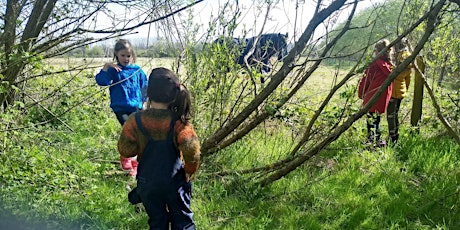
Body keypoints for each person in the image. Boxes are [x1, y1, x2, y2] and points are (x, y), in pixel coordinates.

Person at [117, 67, 201, 229]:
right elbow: (192, 151)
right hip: (175, 182)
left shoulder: (136, 120)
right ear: (173, 94)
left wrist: (139, 145)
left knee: (157, 221)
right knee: (183, 221)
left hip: (147, 183)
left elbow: (125, 150)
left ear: (148, 92)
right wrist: (189, 171)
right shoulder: (179, 122)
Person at [95, 39, 148, 177]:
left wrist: (145, 102)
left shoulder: (137, 71)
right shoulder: (114, 70)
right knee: (129, 129)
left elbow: (145, 87)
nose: (126, 58)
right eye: (123, 55)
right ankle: (126, 156)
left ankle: (135, 163)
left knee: (141, 134)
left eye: (128, 56)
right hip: (121, 108)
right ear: (116, 54)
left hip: (137, 107)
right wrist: (106, 67)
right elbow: (102, 82)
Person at [358, 39, 394, 148]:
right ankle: (377, 141)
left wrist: (361, 93)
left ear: (377, 51)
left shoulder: (374, 64)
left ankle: (370, 142)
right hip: (383, 97)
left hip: (373, 95)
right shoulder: (390, 65)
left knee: (370, 120)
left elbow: (366, 80)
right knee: (376, 119)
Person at [387, 38, 412, 144]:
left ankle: (393, 138)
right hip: (401, 90)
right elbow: (408, 78)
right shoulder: (409, 57)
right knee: (395, 114)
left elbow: (393, 74)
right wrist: (405, 89)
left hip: (394, 91)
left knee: (391, 115)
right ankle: (395, 135)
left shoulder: (399, 58)